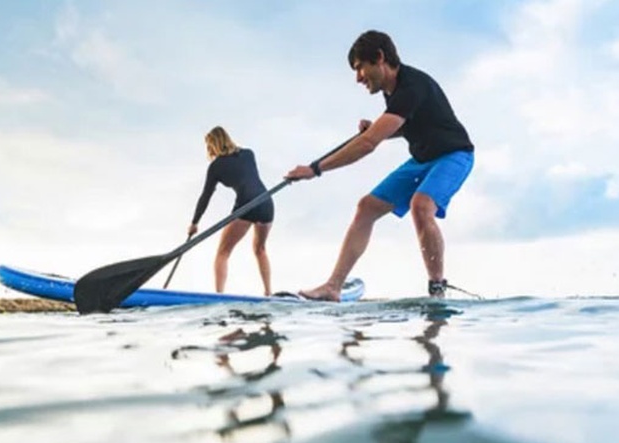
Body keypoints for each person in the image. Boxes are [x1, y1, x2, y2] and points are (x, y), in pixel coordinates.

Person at [286, 30, 475, 300]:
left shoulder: (411, 87)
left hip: (455, 155)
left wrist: (315, 168)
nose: (358, 78)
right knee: (367, 207)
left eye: (360, 68)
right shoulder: (393, 91)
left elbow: (367, 145)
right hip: (422, 159)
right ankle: (333, 287)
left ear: (379, 58)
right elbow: (407, 125)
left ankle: (437, 289)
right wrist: (377, 129)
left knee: (421, 205)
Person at [190, 126, 274, 296]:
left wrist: (194, 222)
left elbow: (205, 197)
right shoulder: (249, 154)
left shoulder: (216, 167)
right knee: (260, 249)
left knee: (223, 252)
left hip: (246, 205)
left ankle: (219, 295)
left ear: (212, 145)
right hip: (266, 203)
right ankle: (268, 292)